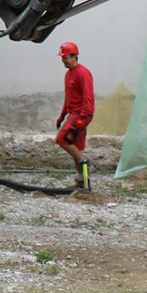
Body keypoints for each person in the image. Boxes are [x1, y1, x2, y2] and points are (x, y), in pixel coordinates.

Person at [55, 41, 94, 188]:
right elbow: (69, 96)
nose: (63, 61)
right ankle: (83, 182)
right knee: (76, 147)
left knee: (62, 139)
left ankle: (86, 162)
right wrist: (62, 114)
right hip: (74, 113)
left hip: (81, 113)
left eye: (65, 58)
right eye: (62, 58)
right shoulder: (68, 74)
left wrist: (83, 118)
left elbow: (88, 97)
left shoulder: (83, 73)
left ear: (74, 56)